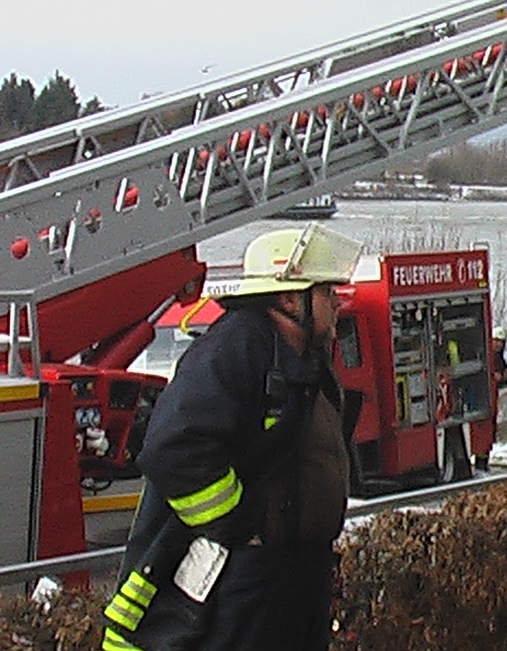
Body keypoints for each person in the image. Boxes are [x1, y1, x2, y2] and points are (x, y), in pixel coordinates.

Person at [102, 223, 360, 651]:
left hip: (294, 574)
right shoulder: (235, 348)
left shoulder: (302, 359)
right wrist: (239, 525)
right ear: (290, 298)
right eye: (327, 291)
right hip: (248, 577)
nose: (338, 302)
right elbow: (173, 451)